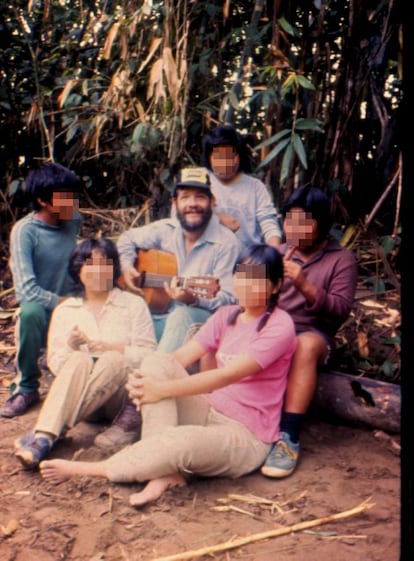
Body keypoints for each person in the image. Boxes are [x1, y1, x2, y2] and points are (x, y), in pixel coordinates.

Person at [38, 244, 297, 509]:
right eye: (241, 276)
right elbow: (178, 358)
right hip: (209, 410)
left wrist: (162, 390)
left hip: (247, 434)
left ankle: (92, 469)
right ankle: (163, 473)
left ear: (275, 286)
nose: (246, 285)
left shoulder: (280, 325)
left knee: (180, 442)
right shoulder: (226, 315)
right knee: (155, 361)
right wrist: (141, 379)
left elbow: (226, 376)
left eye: (257, 279)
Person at [14, 237, 157, 468]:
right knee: (79, 358)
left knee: (112, 360)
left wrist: (113, 348)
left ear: (114, 269)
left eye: (105, 264)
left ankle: (45, 435)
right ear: (78, 269)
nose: (98, 271)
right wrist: (71, 346)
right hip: (86, 404)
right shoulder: (65, 310)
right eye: (90, 264)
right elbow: (57, 365)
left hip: (119, 400)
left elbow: (149, 353)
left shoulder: (133, 304)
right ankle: (47, 435)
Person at [260, 185, 358, 478]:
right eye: (289, 220)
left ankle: (288, 437)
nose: (294, 229)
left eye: (304, 221)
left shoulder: (341, 260)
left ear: (322, 224)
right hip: (273, 329)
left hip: (312, 334)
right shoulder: (275, 253)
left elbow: (340, 310)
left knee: (305, 344)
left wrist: (304, 284)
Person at [0, 162, 82, 418]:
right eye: (65, 197)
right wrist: (65, 303)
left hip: (74, 312)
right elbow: (27, 292)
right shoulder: (25, 232)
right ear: (43, 201)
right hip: (48, 313)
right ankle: (26, 387)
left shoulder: (73, 220)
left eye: (73, 195)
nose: (73, 202)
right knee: (29, 312)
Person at [201, 124, 282, 248]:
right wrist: (218, 218)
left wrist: (274, 253)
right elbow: (181, 215)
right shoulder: (199, 180)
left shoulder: (255, 187)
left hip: (247, 260)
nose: (225, 163)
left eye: (230, 156)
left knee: (261, 267)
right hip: (208, 258)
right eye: (219, 157)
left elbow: (268, 224)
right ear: (209, 157)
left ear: (240, 155)